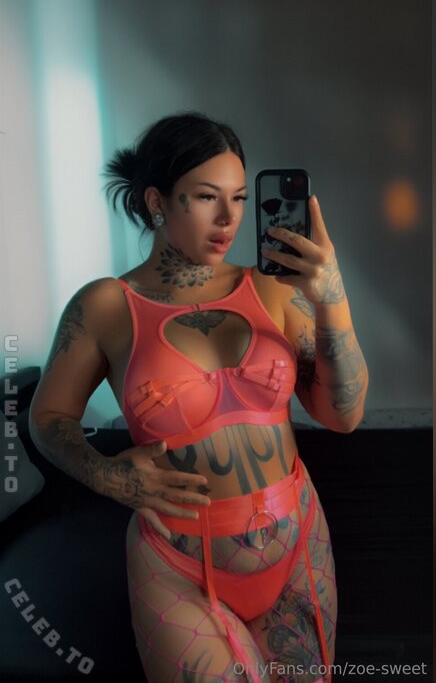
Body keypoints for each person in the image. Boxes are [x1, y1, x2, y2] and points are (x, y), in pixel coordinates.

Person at [29, 112, 368, 683]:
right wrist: (104, 474)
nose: (229, 218)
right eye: (208, 197)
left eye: (239, 198)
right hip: (177, 568)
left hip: (297, 546)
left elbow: (344, 414)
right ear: (157, 201)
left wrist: (330, 296)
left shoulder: (272, 289)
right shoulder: (106, 306)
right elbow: (48, 418)